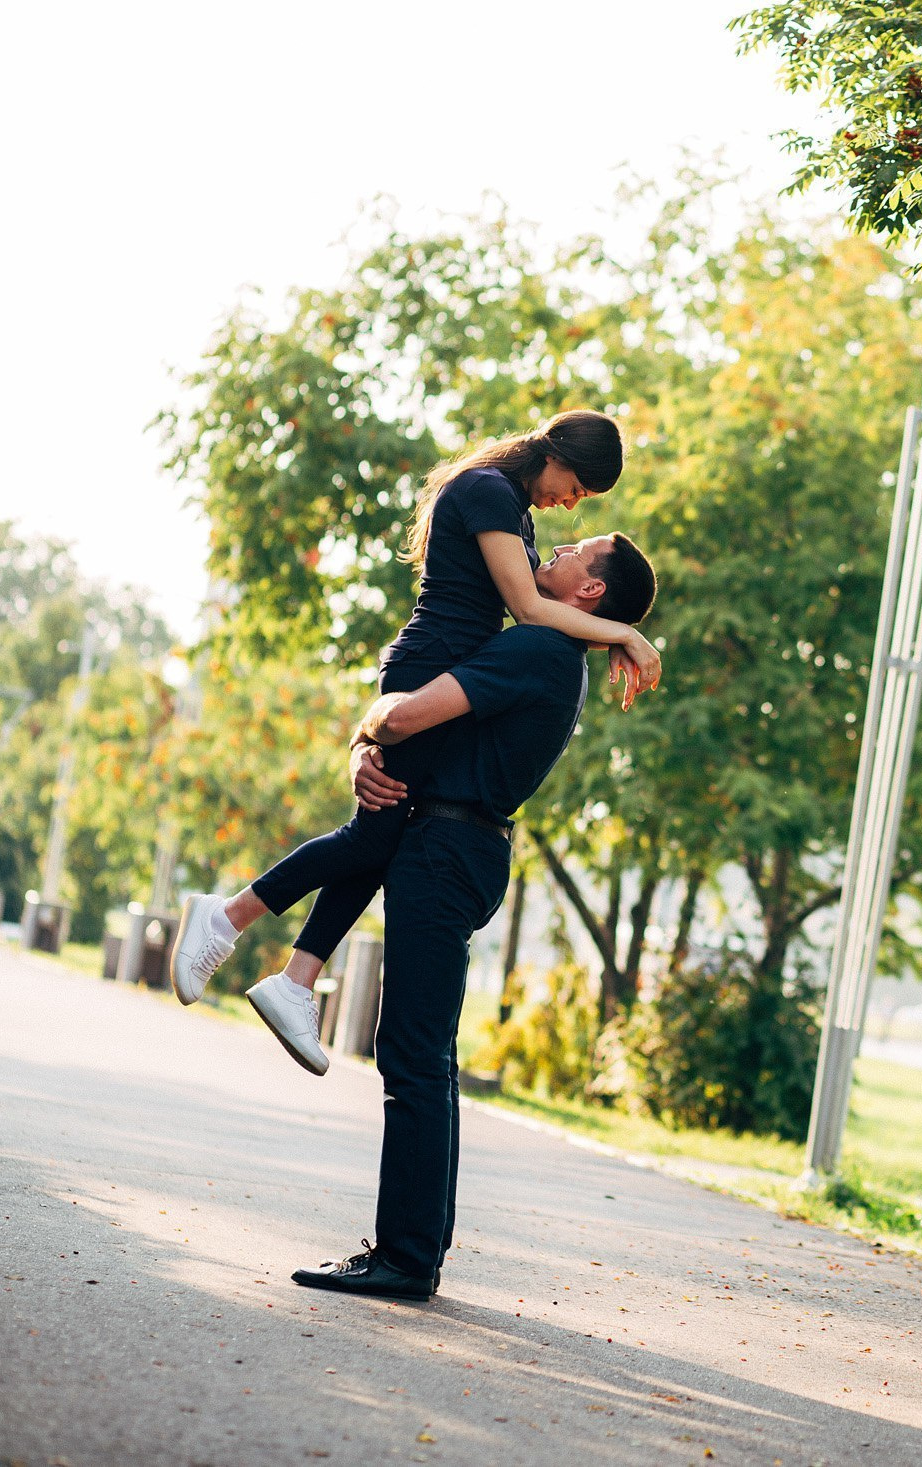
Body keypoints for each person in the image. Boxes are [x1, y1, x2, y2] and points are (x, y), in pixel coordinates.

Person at [167, 412, 659, 1071]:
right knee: (373, 835)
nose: (572, 502)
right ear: (559, 455)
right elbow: (532, 609)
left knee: (383, 830)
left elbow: (537, 609)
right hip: (429, 667)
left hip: (445, 672)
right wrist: (624, 634)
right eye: (579, 488)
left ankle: (293, 981)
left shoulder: (514, 510)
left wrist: (612, 630)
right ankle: (228, 919)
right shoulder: (489, 491)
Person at [292, 546, 649, 1300]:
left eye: (572, 553)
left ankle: (406, 1256)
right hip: (467, 846)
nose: (551, 549)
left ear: (588, 589)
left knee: (413, 1053)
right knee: (429, 1054)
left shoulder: (538, 647)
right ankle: (417, 1246)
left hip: (444, 849)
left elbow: (409, 715)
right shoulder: (559, 656)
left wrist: (370, 725)